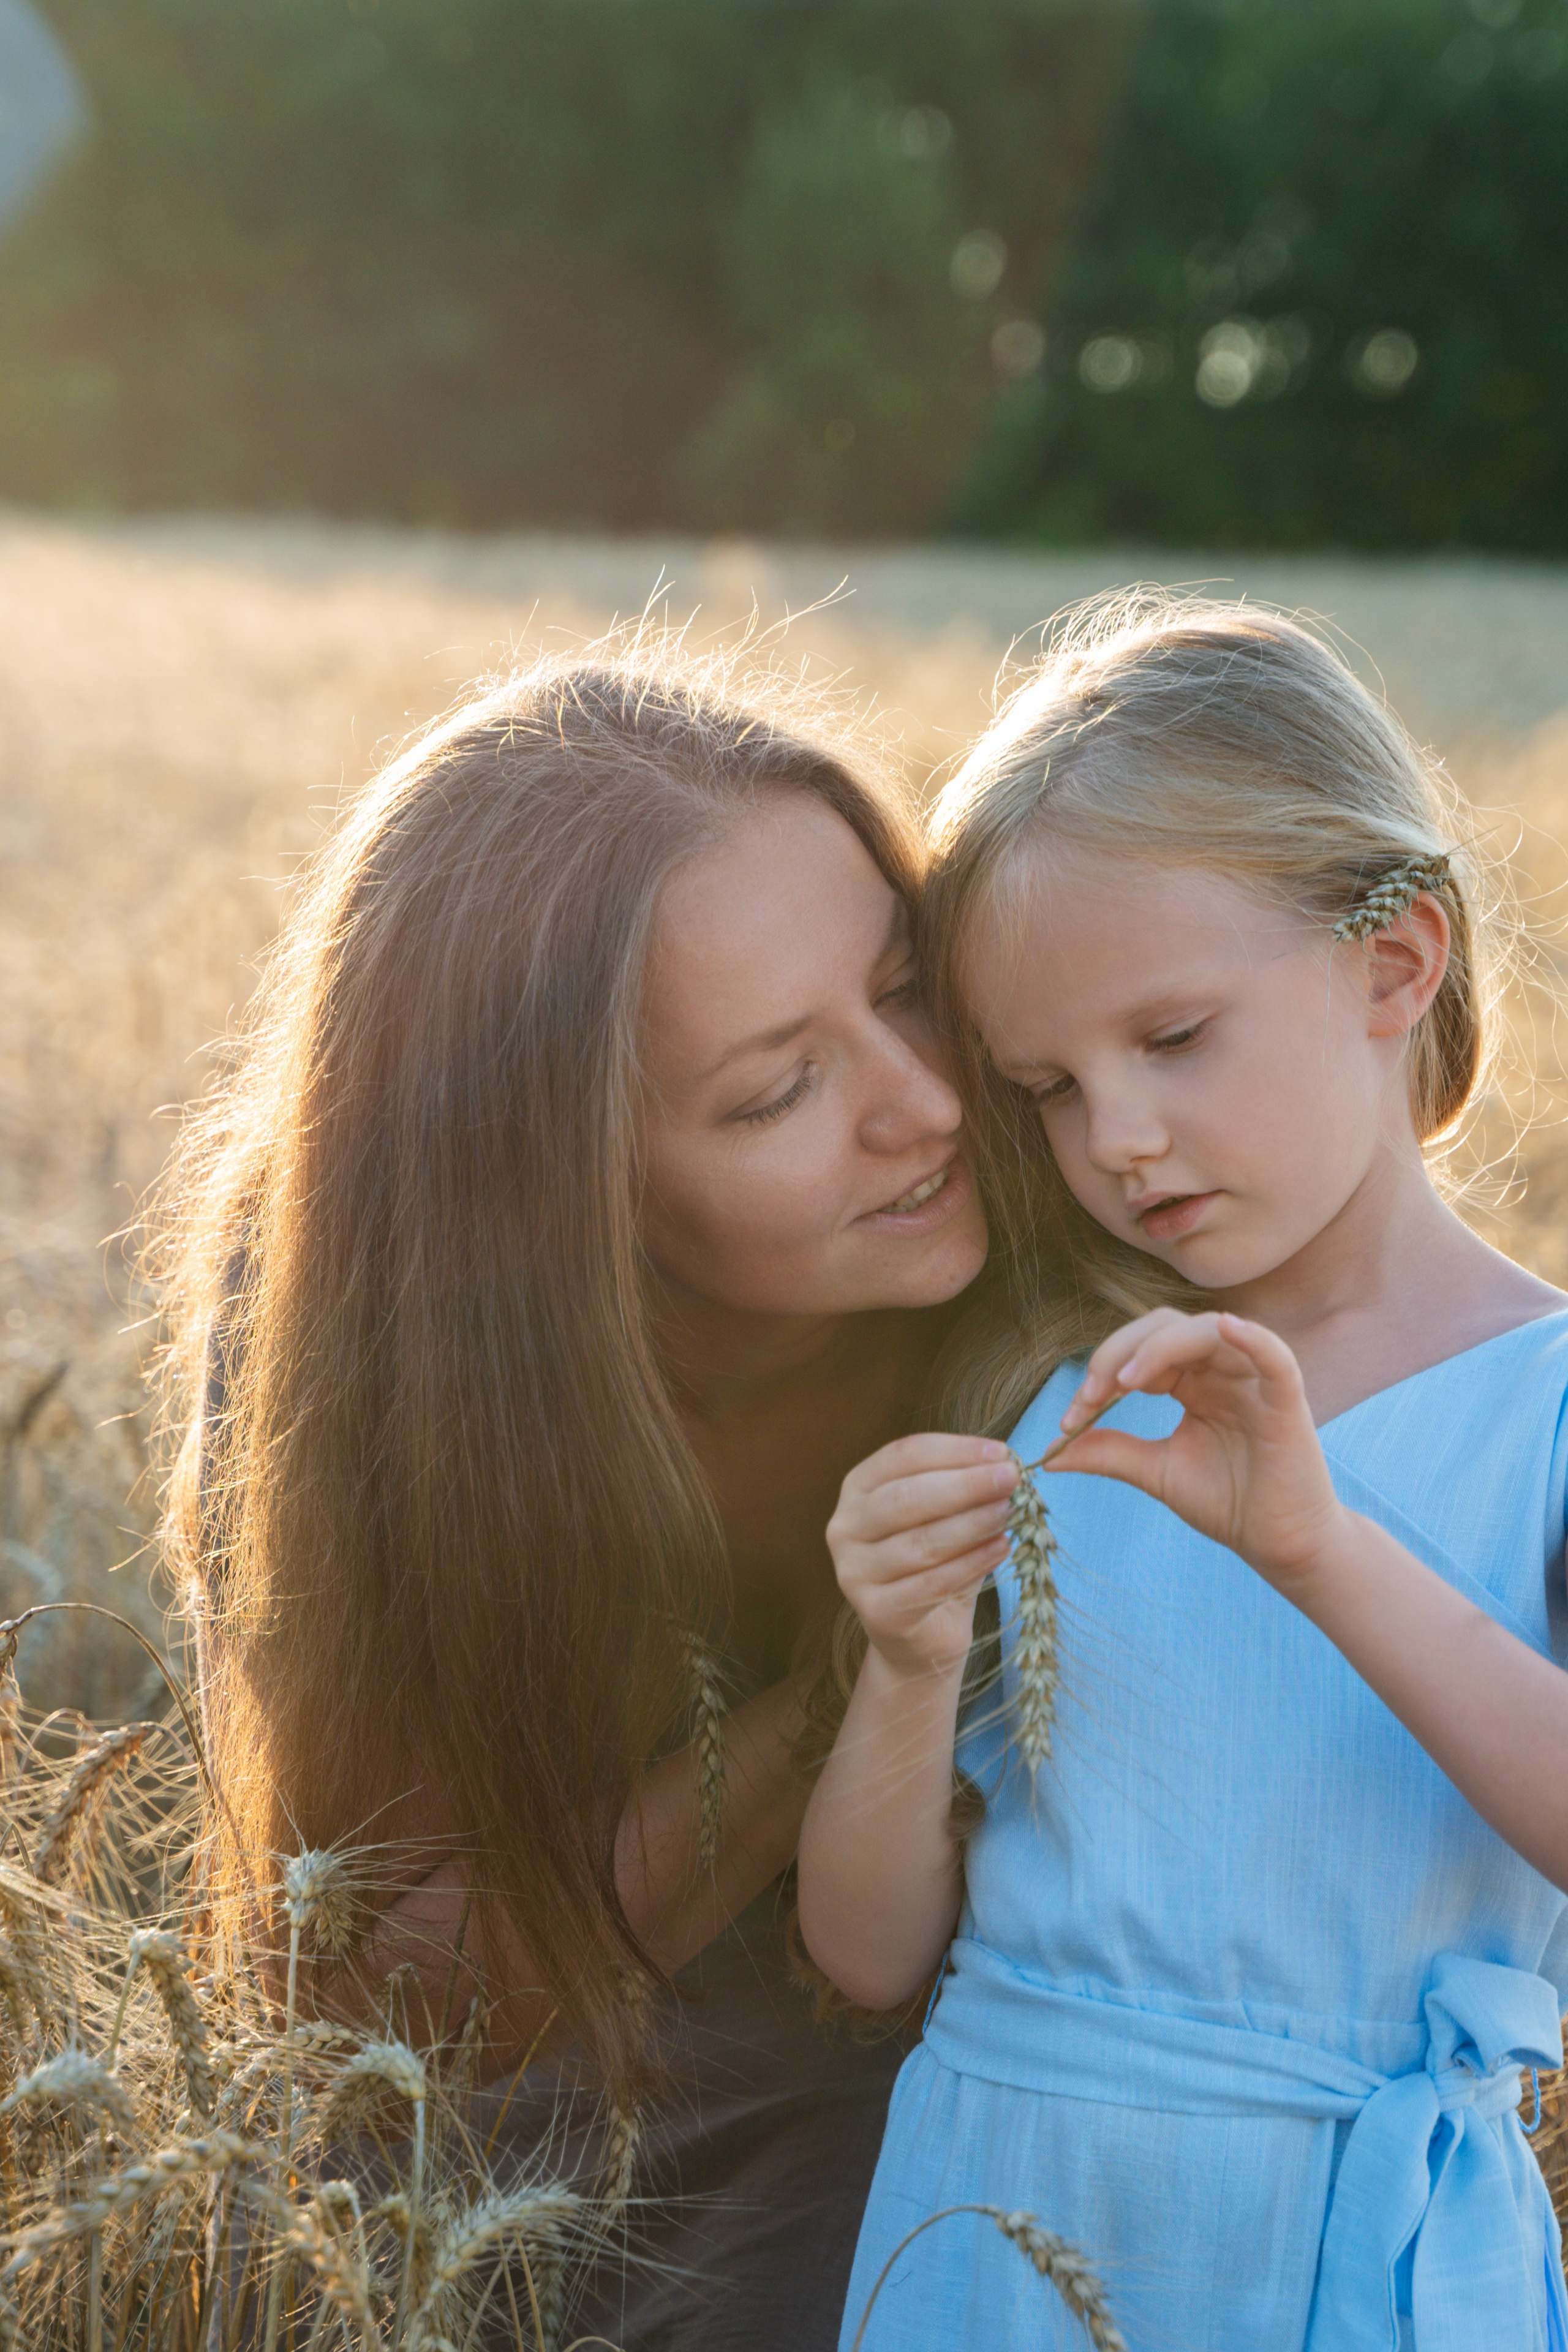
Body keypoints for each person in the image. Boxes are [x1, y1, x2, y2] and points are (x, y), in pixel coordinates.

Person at [159, 638, 995, 2351]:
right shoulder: (363, 1320)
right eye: (778, 1090)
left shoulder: (1054, 1140)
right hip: (578, 2111)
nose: (926, 1107)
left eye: (908, 986)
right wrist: (862, 1679)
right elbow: (403, 1991)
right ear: (569, 1194)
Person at [798, 597, 1568, 2352]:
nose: (1117, 1141)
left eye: (1172, 1039)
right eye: (1049, 1088)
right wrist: (906, 1666)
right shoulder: (1060, 1398)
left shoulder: (1543, 1405)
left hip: (1343, 2253)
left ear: (1396, 964)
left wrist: (1317, 1547)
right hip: (995, 2224)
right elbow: (868, 1954)